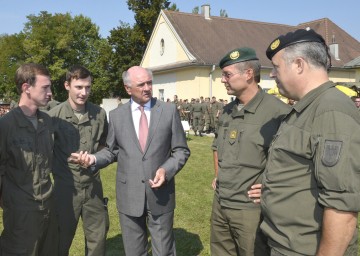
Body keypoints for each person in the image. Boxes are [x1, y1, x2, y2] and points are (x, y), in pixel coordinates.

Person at [70, 66, 190, 256]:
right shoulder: (117, 116)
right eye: (141, 84)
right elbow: (111, 151)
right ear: (128, 89)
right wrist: (93, 158)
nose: (147, 88)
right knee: (134, 251)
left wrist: (166, 170)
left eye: (149, 83)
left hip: (161, 193)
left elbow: (181, 150)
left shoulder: (168, 111)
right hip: (129, 195)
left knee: (164, 250)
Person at [261, 29, 360, 256]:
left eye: (276, 67)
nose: (272, 75)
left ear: (298, 65)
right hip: (286, 245)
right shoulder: (306, 108)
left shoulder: (330, 110)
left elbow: (341, 209)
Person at [210, 47, 290, 256]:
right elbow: (216, 146)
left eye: (227, 74)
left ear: (248, 74)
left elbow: (290, 161)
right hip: (221, 202)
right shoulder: (228, 111)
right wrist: (218, 175)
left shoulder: (278, 113)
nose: (222, 80)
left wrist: (270, 185)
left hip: (250, 209)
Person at [48, 65, 109, 256]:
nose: (84, 92)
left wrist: (94, 159)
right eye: (79, 87)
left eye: (88, 87)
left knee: (97, 241)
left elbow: (105, 147)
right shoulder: (54, 117)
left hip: (93, 188)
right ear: (67, 85)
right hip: (65, 190)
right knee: (59, 241)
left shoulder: (99, 113)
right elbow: (45, 155)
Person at [0, 63, 58, 255]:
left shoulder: (47, 121)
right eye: (45, 87)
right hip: (20, 214)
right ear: (26, 87)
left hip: (48, 208)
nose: (50, 92)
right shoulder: (6, 126)